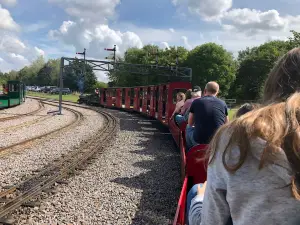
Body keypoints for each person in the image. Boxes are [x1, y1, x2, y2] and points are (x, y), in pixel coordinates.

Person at [188, 47, 300, 225]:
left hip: (203, 141)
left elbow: (190, 122)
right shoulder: (223, 105)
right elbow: (224, 120)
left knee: (196, 190)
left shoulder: (238, 134)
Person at [185, 82, 228, 151]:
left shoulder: (196, 102)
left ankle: (189, 151)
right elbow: (226, 124)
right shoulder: (223, 104)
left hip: (198, 141)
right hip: (217, 142)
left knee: (188, 127)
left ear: (205, 91)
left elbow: (190, 123)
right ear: (217, 92)